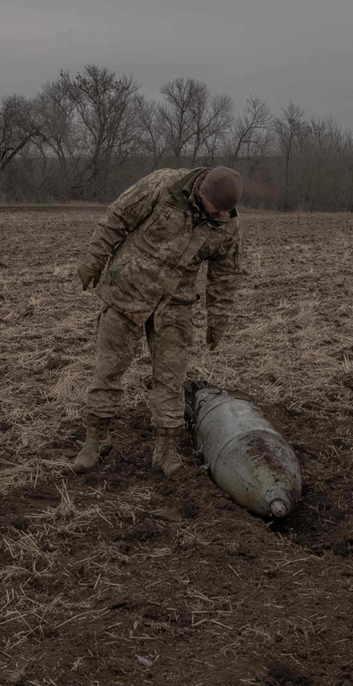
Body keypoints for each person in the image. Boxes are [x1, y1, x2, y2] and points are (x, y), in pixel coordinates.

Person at [72, 166, 243, 477]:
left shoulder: (226, 224)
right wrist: (93, 260)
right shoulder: (162, 186)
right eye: (217, 208)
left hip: (175, 306)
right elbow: (117, 218)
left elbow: (226, 275)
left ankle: (165, 451)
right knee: (108, 370)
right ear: (201, 192)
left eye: (226, 210)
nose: (221, 215)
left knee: (170, 381)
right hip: (127, 292)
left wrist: (218, 318)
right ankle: (95, 441)